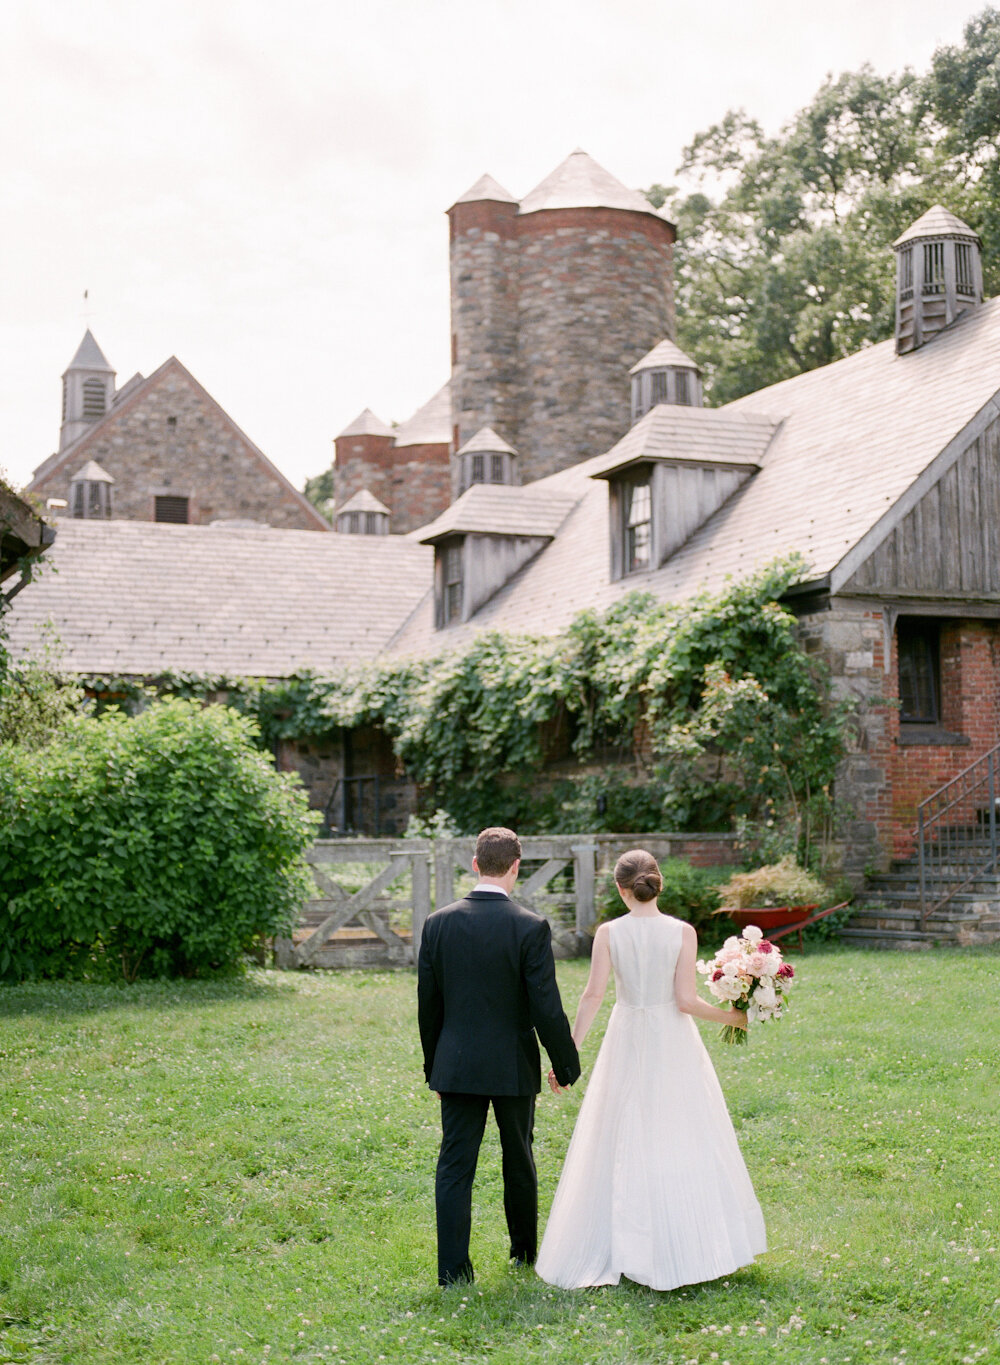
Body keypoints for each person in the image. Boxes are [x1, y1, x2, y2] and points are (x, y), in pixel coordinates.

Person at [535, 848, 766, 1291]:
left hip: (626, 1036)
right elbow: (685, 1001)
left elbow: (592, 996)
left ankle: (623, 1239)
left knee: (619, 1130)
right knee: (679, 1128)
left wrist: (569, 1057)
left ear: (622, 889)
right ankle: (686, 1240)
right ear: (658, 883)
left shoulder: (608, 933)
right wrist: (735, 1016)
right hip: (671, 1038)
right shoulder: (682, 932)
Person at [417, 826, 581, 1286]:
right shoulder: (530, 926)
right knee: (519, 1156)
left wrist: (435, 1069)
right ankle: (524, 1253)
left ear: (474, 865)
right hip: (512, 1063)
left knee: (454, 1165)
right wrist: (565, 1064)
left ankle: (452, 1271)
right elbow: (545, 1005)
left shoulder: (437, 923)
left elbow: (427, 1007)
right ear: (516, 867)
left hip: (457, 1063)